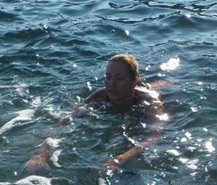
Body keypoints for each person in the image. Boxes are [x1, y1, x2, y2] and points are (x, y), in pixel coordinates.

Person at [24, 54, 166, 174]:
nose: (111, 84)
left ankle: (164, 83)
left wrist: (119, 159)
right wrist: (41, 154)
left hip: (164, 96)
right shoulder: (101, 95)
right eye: (108, 77)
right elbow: (62, 122)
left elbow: (153, 137)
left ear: (134, 81)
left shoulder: (150, 101)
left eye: (120, 78)